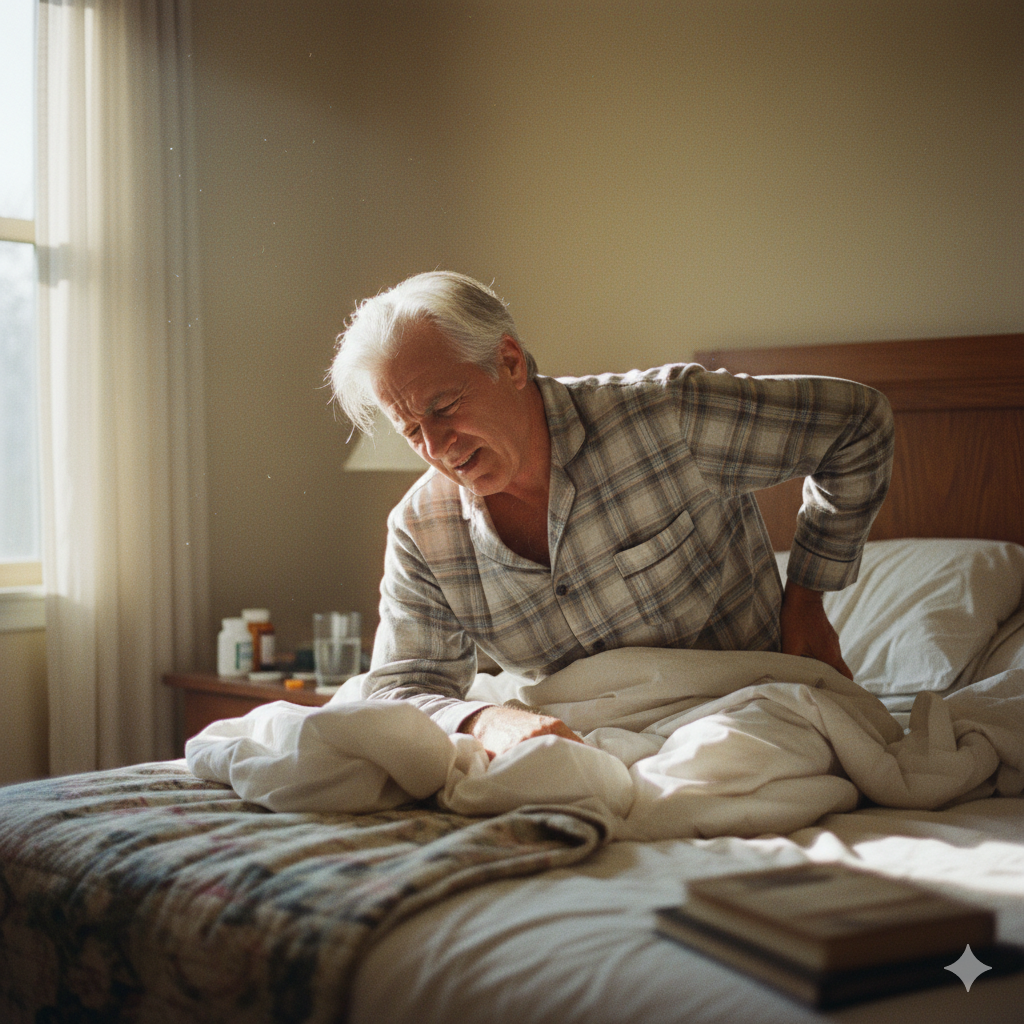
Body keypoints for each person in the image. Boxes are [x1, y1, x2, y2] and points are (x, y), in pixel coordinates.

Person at [330, 272, 894, 758]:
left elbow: (858, 426)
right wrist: (487, 720)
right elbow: (400, 690)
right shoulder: (421, 531)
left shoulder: (667, 419)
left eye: (444, 407)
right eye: (410, 431)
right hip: (574, 745)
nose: (438, 447)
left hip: (743, 715)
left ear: (509, 361)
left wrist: (808, 598)